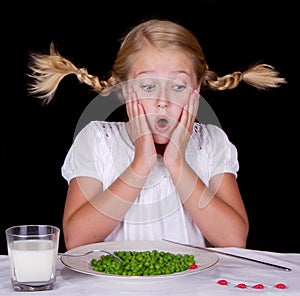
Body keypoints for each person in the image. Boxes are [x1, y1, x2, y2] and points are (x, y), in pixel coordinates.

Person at [27, 19, 286, 251]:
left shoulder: (211, 143)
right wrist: (142, 163)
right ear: (127, 90)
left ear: (195, 91)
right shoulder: (97, 140)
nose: (163, 101)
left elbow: (234, 240)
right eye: (148, 86)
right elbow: (76, 240)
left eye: (178, 86)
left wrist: (177, 162)